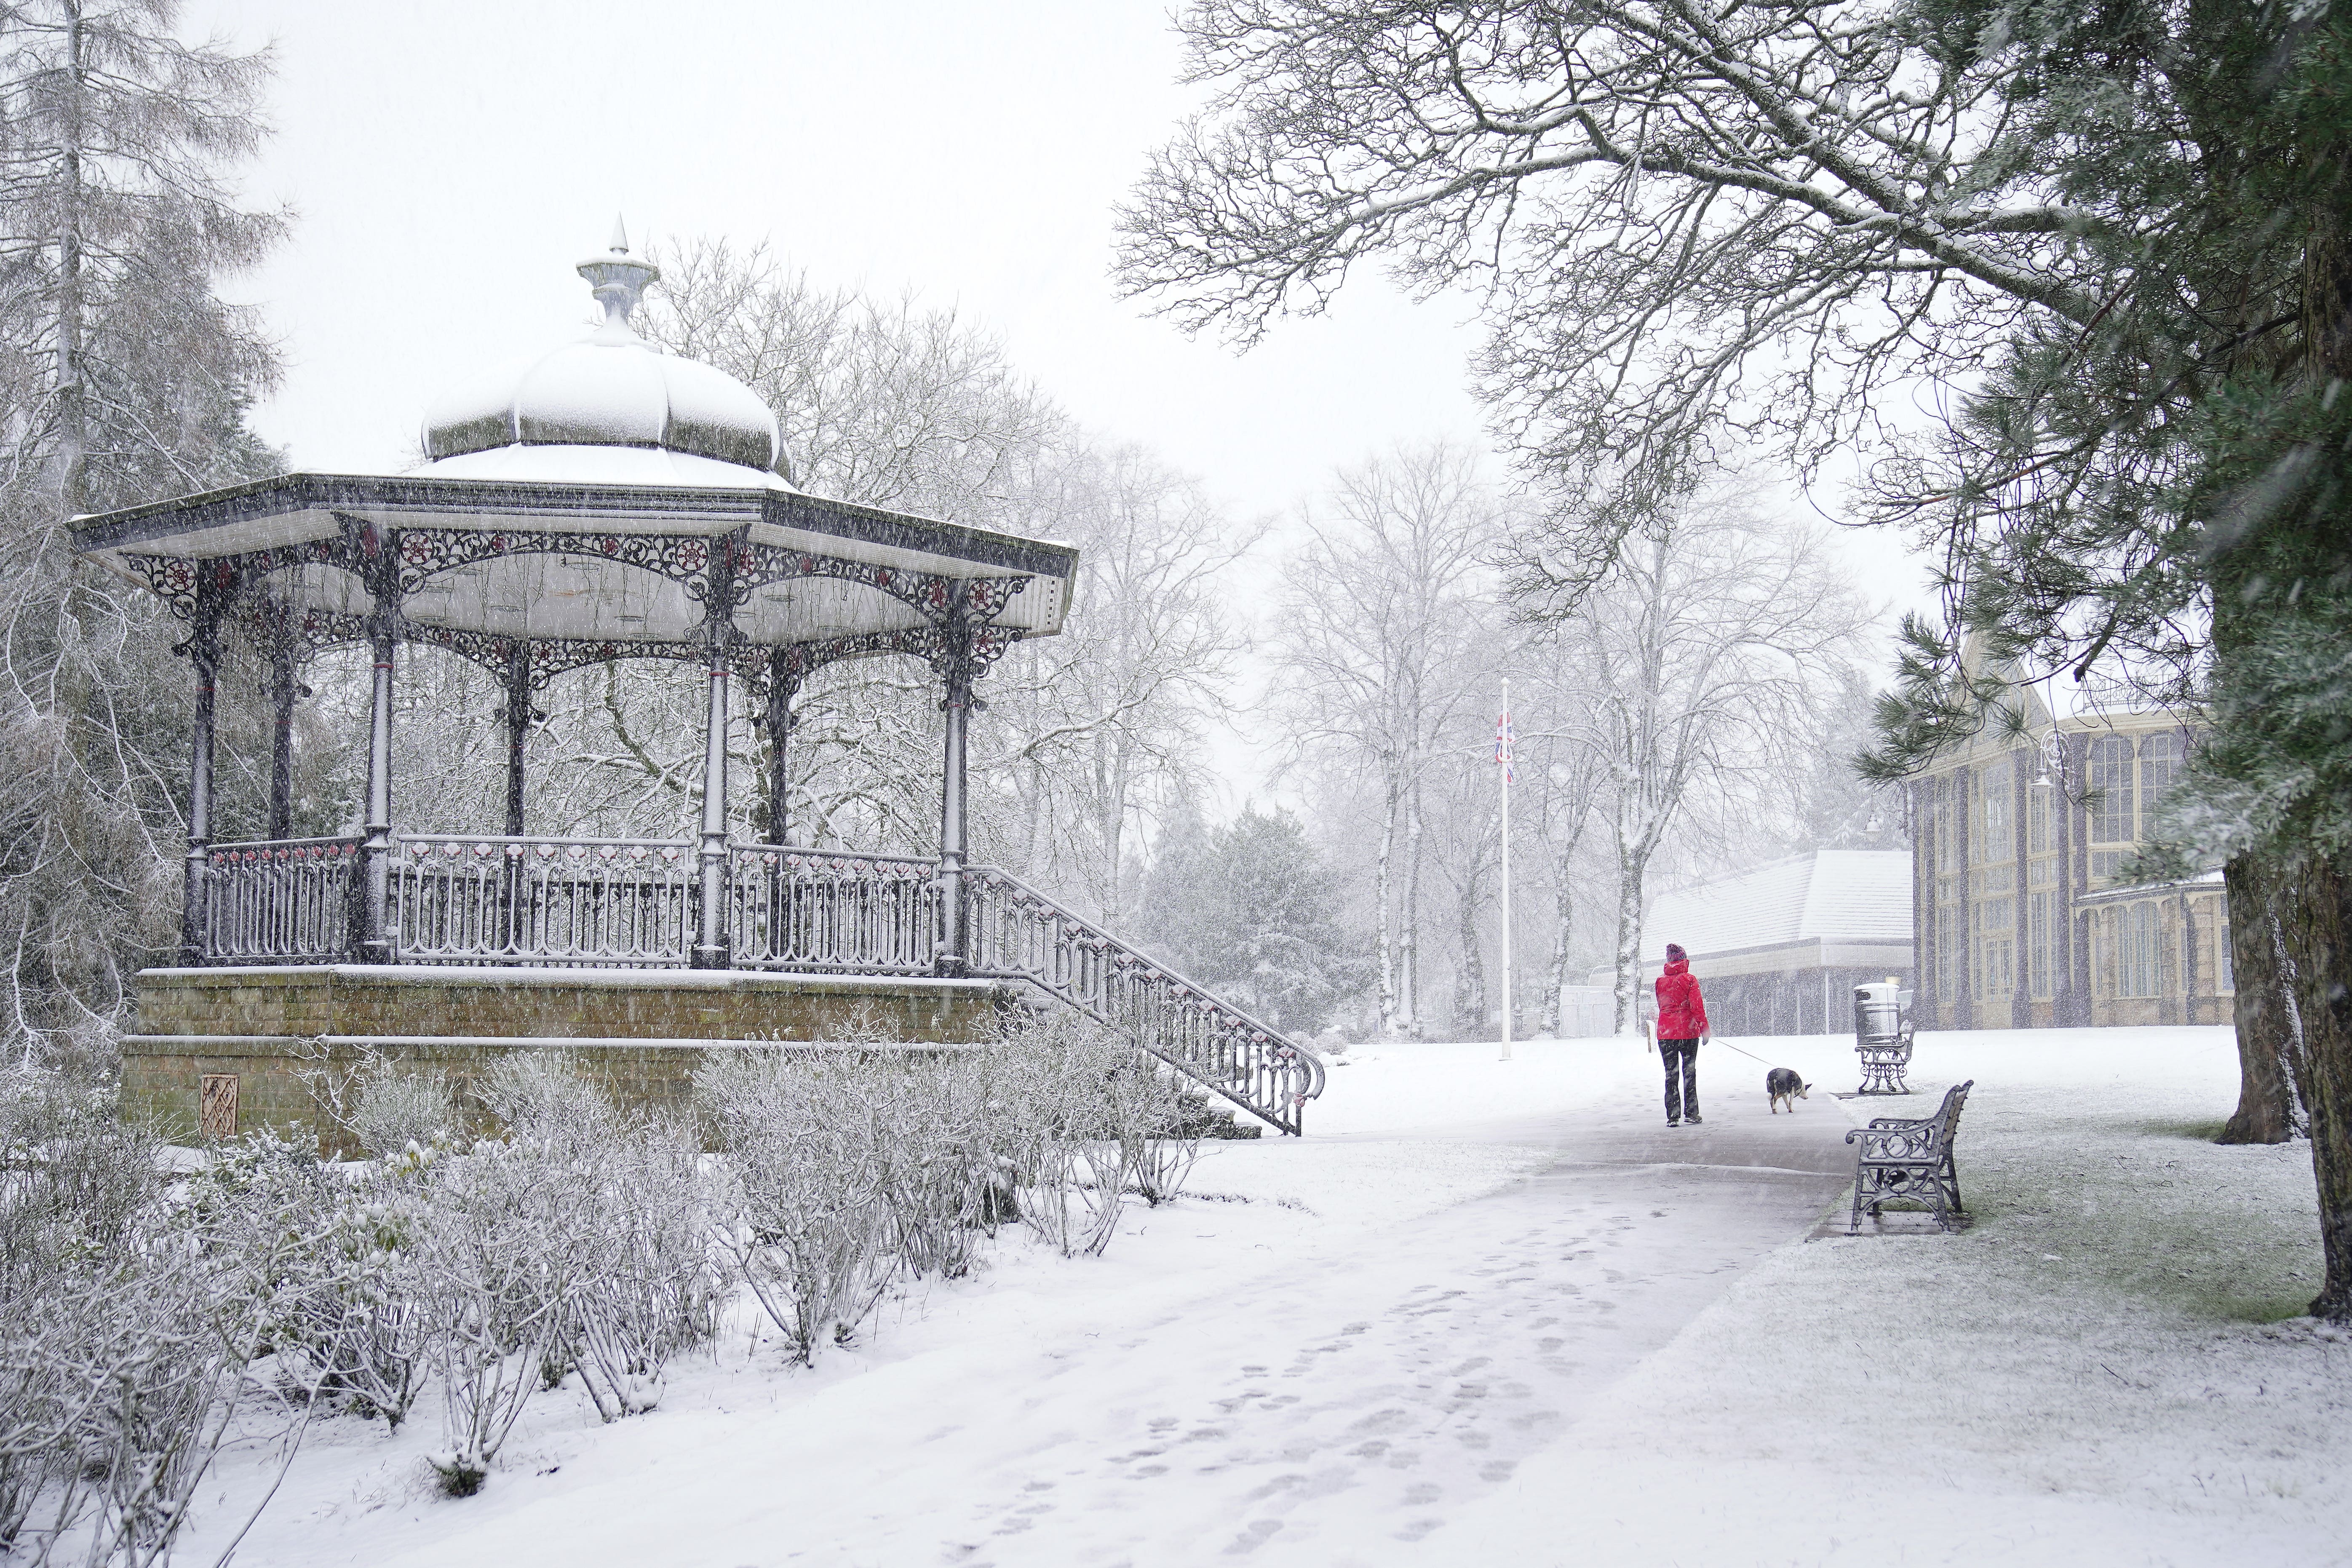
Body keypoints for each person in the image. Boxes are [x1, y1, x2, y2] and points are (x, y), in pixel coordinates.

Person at [1653, 942, 1711, 1127]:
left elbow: (1662, 1006)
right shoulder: (1690, 980)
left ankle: (1673, 1116)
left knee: (1671, 1075)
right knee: (1689, 1073)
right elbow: (1697, 1007)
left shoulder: (1660, 981)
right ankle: (1692, 1113)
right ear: (1684, 960)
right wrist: (1704, 1029)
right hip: (1688, 1033)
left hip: (1666, 1034)